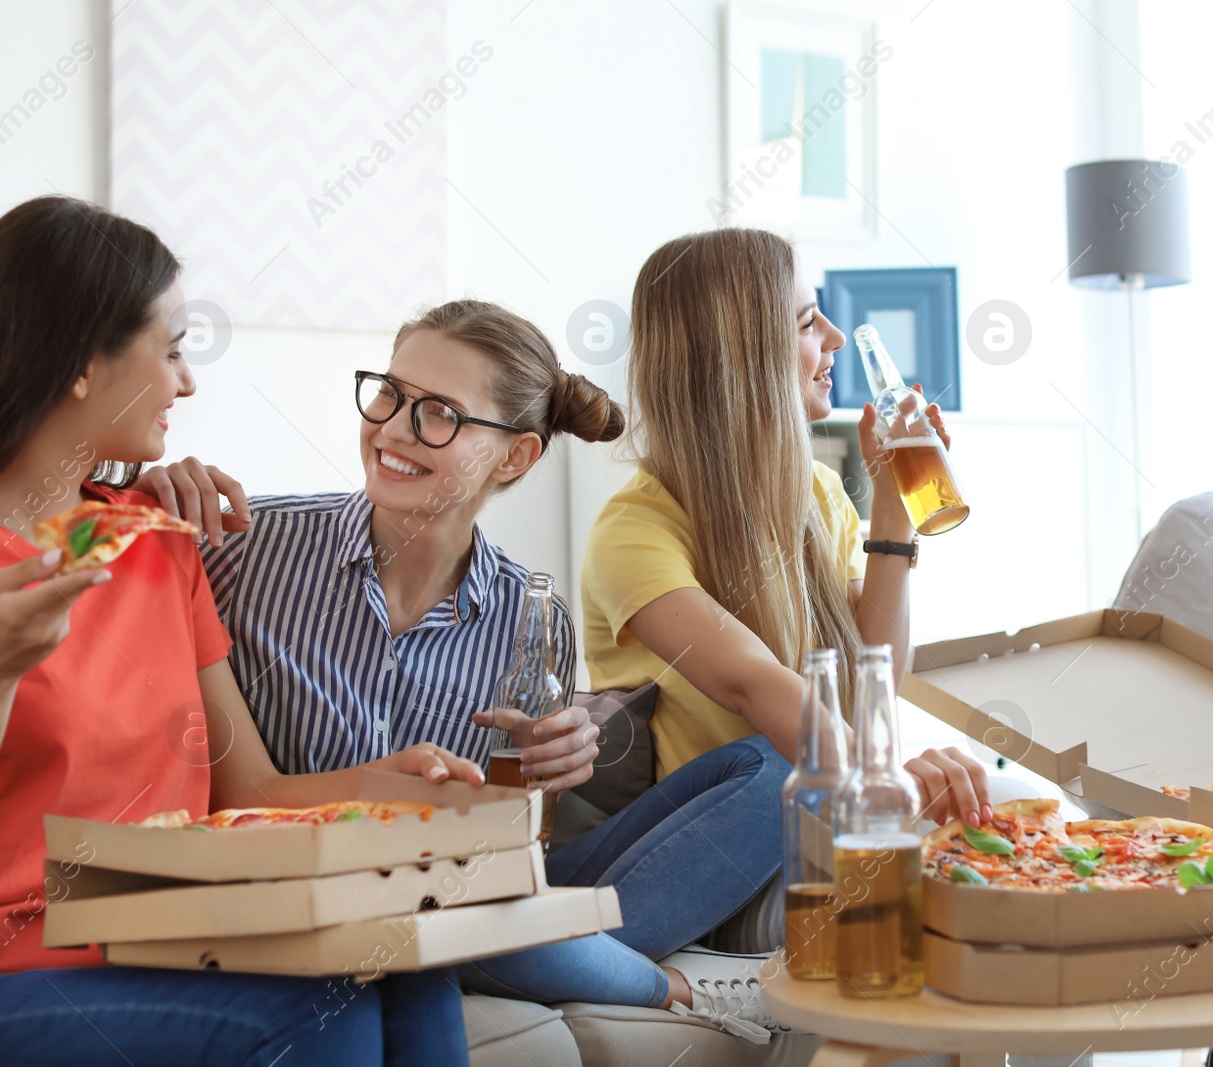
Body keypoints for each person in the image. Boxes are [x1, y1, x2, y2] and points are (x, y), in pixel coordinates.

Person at [139, 299, 792, 1039]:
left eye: (439, 413)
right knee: (457, 919)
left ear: (514, 455)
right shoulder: (242, 551)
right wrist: (144, 482)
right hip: (318, 893)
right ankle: (657, 984)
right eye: (390, 393)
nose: (391, 429)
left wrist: (550, 774)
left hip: (466, 896)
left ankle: (563, 955)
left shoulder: (527, 616)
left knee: (775, 767)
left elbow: (515, 857)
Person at [0, 195, 474, 1066]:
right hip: (27, 959)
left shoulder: (154, 542)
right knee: (325, 1006)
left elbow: (240, 786)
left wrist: (389, 780)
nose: (188, 382)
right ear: (80, 363)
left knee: (406, 959)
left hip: (171, 924)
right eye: (172, 349)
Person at [577, 227, 992, 943]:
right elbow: (754, 687)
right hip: (729, 863)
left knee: (1006, 815)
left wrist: (891, 505)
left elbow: (875, 681)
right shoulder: (635, 528)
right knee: (780, 768)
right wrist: (892, 784)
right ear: (742, 356)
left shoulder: (820, 494)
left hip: (821, 829)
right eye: (806, 321)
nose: (832, 336)